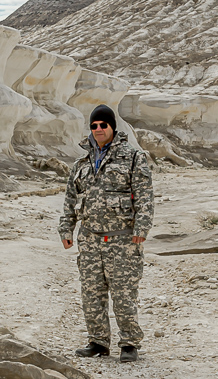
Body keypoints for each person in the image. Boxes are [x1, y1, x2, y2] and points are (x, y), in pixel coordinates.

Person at [59, 104, 154, 363]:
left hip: (122, 238)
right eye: (94, 125)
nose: (99, 129)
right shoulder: (81, 163)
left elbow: (145, 195)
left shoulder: (133, 157)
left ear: (113, 127)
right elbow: (70, 200)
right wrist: (66, 228)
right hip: (89, 238)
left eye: (103, 125)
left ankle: (129, 343)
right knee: (92, 292)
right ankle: (98, 341)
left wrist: (142, 228)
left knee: (123, 292)